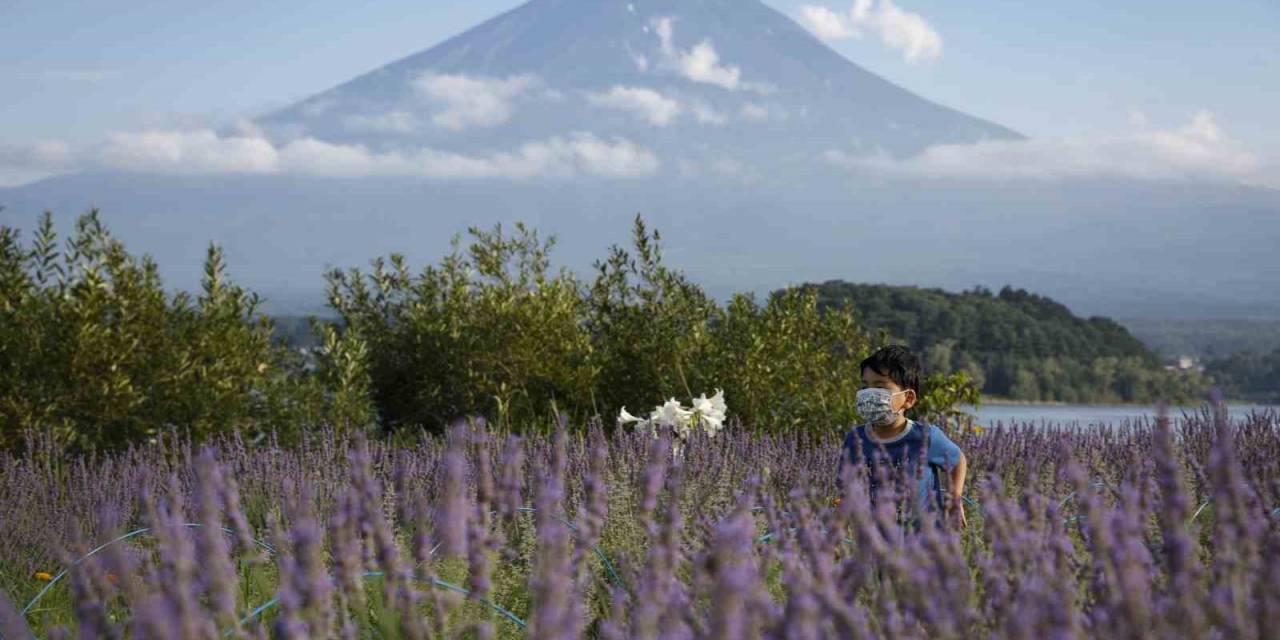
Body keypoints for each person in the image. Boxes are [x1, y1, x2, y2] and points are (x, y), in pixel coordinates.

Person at [837, 345, 968, 529]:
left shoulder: (925, 437)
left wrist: (955, 497)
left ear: (908, 398)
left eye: (880, 387)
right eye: (865, 386)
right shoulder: (855, 440)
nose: (869, 394)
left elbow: (957, 460)